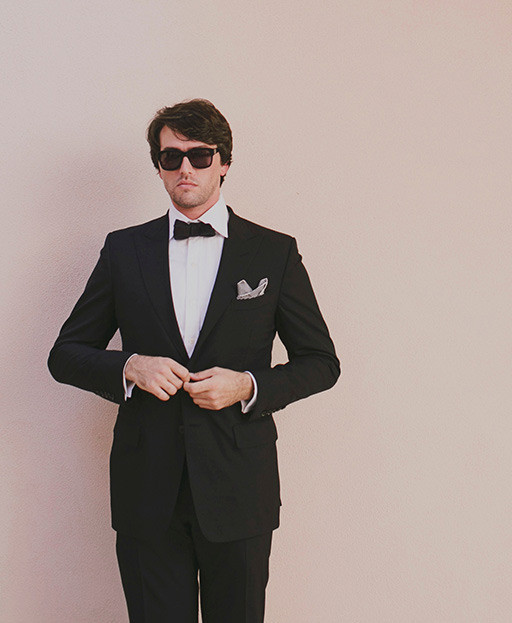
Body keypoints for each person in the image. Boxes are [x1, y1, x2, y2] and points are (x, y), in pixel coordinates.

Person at [48, 98, 340, 623]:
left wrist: (249, 385)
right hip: (146, 490)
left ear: (223, 162)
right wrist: (127, 367)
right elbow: (65, 354)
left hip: (237, 486)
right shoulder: (123, 250)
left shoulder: (273, 252)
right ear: (158, 166)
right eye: (170, 157)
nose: (185, 168)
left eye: (200, 156)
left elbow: (321, 361)